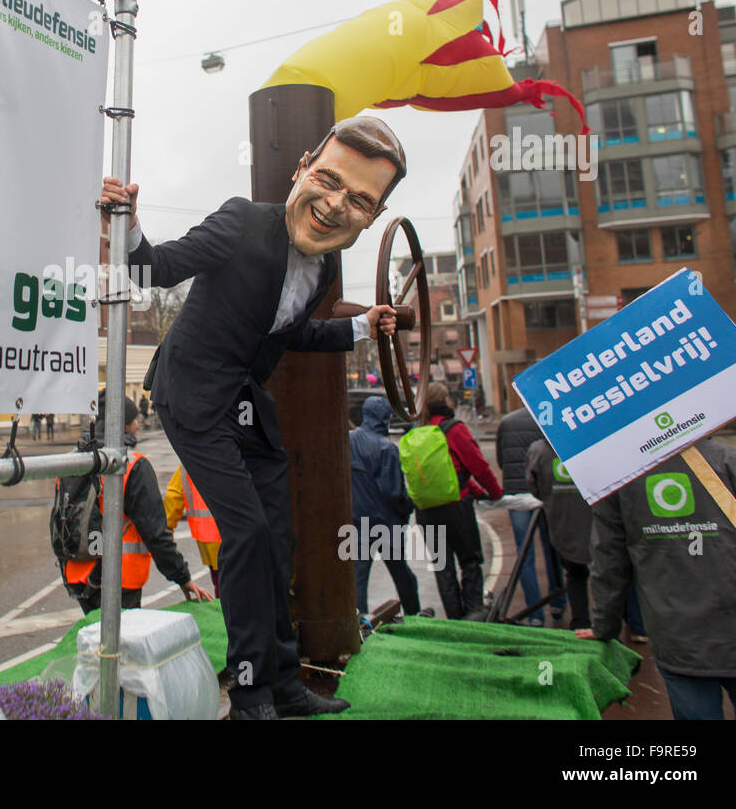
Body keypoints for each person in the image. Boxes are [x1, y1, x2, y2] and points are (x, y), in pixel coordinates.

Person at [100, 115, 402, 719]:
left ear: (369, 218)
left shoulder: (323, 266)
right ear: (301, 172)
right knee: (246, 534)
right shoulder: (242, 222)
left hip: (243, 401)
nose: (336, 204)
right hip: (190, 393)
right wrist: (127, 226)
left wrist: (364, 325)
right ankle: (249, 694)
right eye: (329, 180)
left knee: (277, 538)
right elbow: (151, 269)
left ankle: (285, 685)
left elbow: (293, 333)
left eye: (360, 200)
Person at [576, 438, 736, 719]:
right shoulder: (729, 460)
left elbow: (609, 562)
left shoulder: (619, 478)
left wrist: (604, 626)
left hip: (677, 634)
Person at [63, 395, 212, 614]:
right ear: (123, 425)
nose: (138, 424)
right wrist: (182, 577)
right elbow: (155, 533)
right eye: (134, 420)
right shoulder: (133, 465)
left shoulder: (72, 461)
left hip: (78, 575)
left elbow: (59, 521)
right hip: (120, 578)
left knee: (96, 642)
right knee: (120, 644)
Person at [414, 382, 502, 620]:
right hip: (455, 507)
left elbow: (445, 472)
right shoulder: (453, 429)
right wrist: (493, 492)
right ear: (446, 401)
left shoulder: (417, 433)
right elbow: (477, 466)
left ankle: (454, 617)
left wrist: (472, 488)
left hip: (426, 510)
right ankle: (473, 615)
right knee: (470, 560)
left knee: (443, 565)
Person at [349, 396, 420, 617]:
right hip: (386, 524)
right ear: (385, 418)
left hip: (358, 521)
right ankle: (413, 614)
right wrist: (408, 506)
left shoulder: (349, 440)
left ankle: (360, 623)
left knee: (359, 578)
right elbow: (392, 492)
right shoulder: (385, 448)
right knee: (401, 574)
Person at [496, 406, 565, 625]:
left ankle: (534, 614)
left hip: (517, 494)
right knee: (552, 546)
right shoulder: (549, 420)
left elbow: (501, 459)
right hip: (546, 492)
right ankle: (558, 602)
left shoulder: (506, 422)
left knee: (523, 553)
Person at [525, 439, 591, 630]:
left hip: (562, 517)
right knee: (612, 570)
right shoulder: (589, 440)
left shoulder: (538, 449)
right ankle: (630, 624)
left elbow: (534, 485)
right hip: (594, 515)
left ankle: (580, 622)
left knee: (574, 572)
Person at [164, 464, 221, 597]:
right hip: (235, 535)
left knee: (222, 585)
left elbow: (173, 495)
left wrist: (166, 529)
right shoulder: (235, 454)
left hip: (207, 537)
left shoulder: (188, 462)